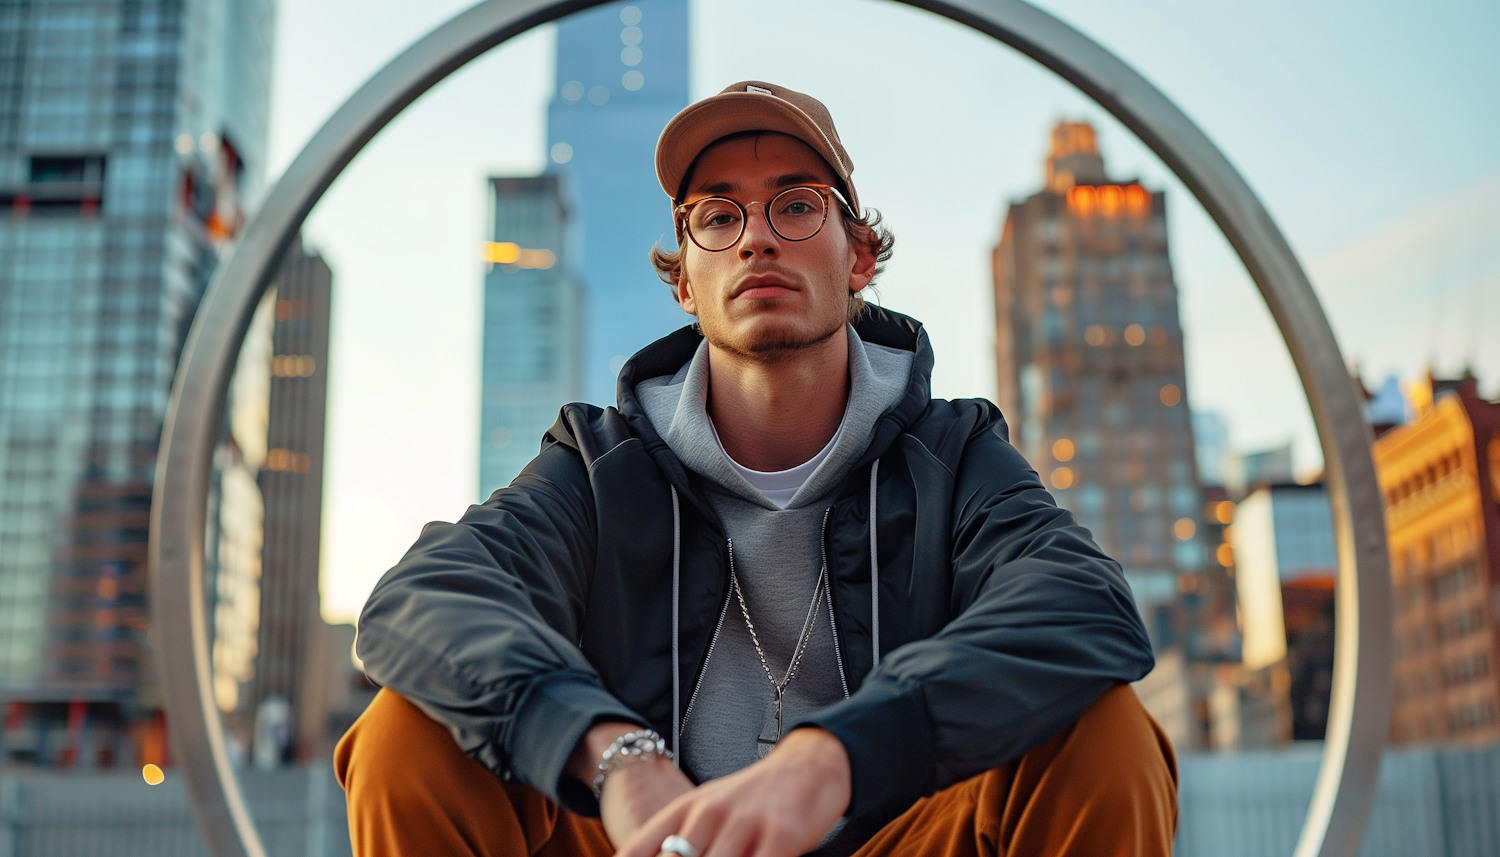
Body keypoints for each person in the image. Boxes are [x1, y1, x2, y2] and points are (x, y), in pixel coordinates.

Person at [336, 81, 1176, 857]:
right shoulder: (599, 467)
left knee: (1102, 729)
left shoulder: (953, 456)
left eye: (797, 206)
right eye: (719, 217)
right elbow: (420, 601)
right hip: (653, 844)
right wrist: (615, 755)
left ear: (858, 257)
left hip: (892, 839)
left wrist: (836, 756)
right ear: (685, 283)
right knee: (406, 735)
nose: (758, 237)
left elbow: (1085, 605)